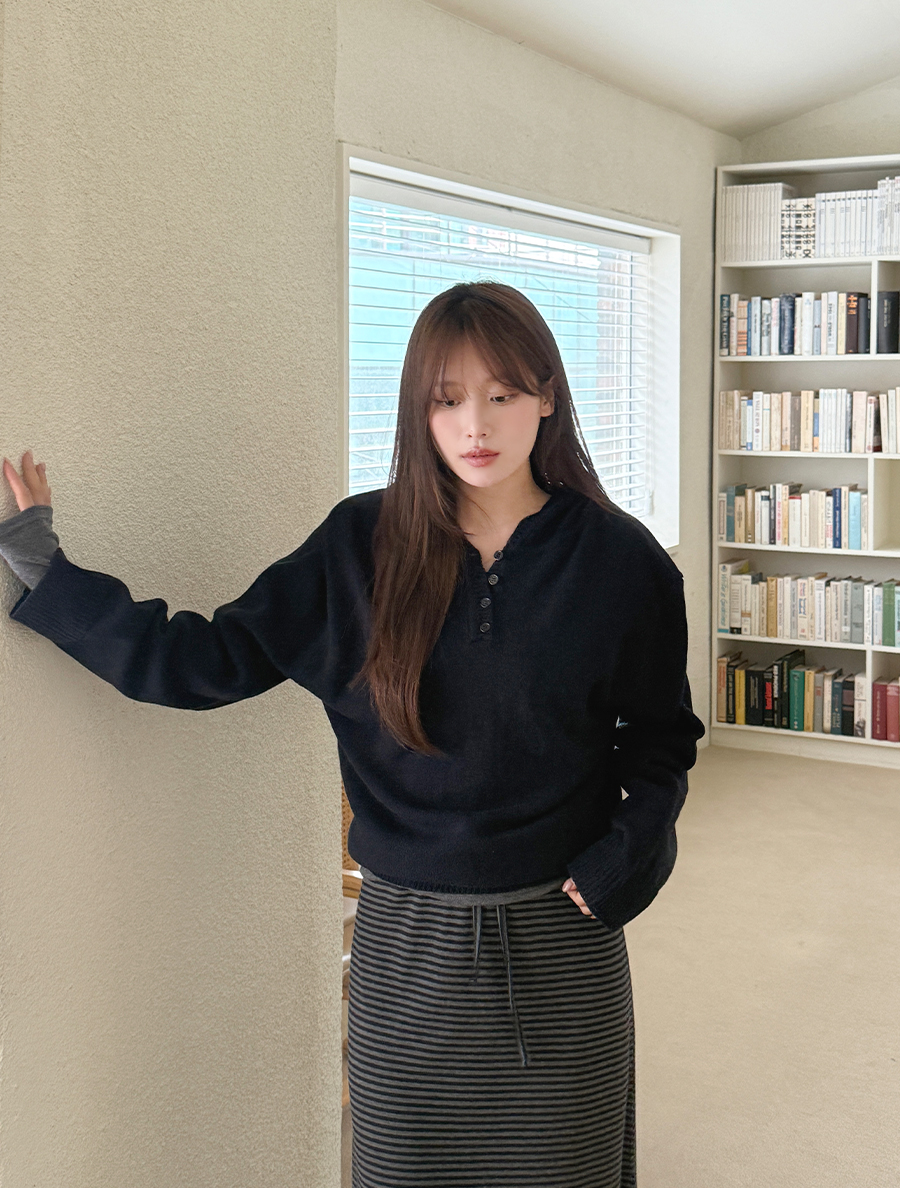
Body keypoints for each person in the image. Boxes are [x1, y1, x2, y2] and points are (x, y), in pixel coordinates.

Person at [0, 281, 705, 1188]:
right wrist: (42, 563)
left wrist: (628, 858)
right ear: (417, 411)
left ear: (546, 398)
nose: (475, 424)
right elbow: (200, 662)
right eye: (446, 400)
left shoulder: (620, 559)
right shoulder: (358, 546)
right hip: (406, 947)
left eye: (502, 394)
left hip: (561, 940)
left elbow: (660, 742)